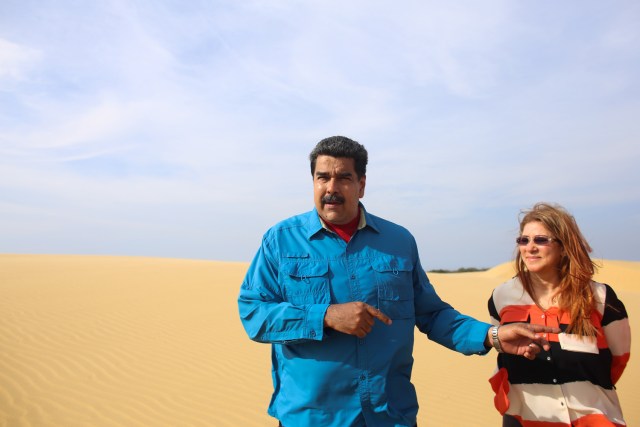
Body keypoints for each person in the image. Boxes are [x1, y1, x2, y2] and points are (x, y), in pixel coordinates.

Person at [238, 136, 559, 427]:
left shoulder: (398, 241)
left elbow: (432, 314)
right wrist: (325, 316)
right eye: (322, 177)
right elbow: (254, 313)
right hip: (311, 417)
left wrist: (493, 335)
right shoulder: (280, 241)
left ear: (361, 185)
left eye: (344, 178)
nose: (331, 188)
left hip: (389, 415)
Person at [488, 202, 631, 427]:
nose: (530, 247)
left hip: (594, 420)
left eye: (541, 240)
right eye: (524, 240)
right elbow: (501, 348)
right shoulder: (502, 296)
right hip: (524, 420)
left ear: (563, 246)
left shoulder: (600, 298)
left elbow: (618, 360)